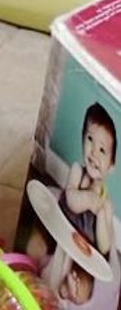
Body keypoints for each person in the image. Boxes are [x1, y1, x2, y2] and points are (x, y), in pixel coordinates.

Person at [60, 102, 117, 255]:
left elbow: (104, 247)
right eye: (90, 139)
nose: (94, 153)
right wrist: (89, 199)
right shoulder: (77, 171)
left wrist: (100, 212)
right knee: (37, 243)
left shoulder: (106, 205)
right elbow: (71, 201)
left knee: (81, 276)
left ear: (111, 167)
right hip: (61, 230)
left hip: (83, 252)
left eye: (102, 150)